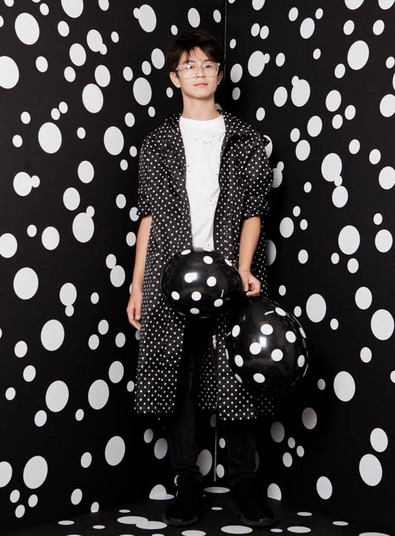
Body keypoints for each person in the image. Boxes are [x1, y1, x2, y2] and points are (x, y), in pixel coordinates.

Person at [126, 29, 277, 528]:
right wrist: (137, 285)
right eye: (189, 65)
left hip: (229, 275)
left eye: (208, 65)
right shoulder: (157, 144)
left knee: (239, 373)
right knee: (177, 376)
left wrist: (245, 268)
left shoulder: (246, 139)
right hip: (169, 277)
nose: (199, 73)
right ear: (175, 77)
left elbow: (254, 211)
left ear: (219, 74)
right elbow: (148, 218)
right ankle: (186, 482)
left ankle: (242, 484)